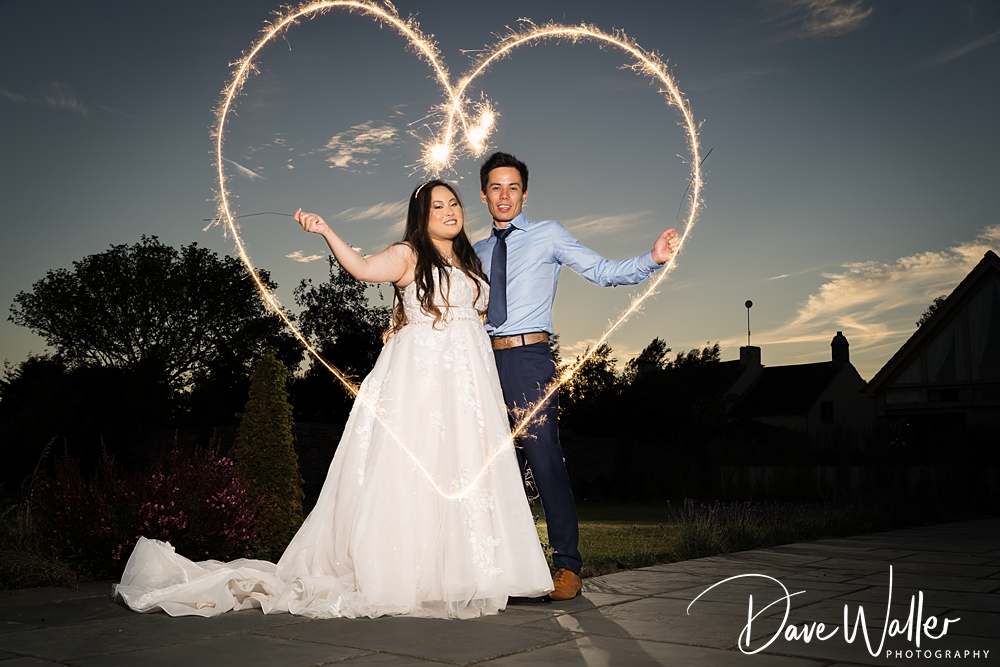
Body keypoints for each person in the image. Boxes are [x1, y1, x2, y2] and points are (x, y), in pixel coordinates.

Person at [114, 180, 553, 619]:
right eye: (437, 205)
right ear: (422, 215)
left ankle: (466, 571)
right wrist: (326, 230)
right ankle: (408, 572)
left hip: (469, 384)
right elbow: (361, 268)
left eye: (453, 203)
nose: (449, 211)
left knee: (465, 468)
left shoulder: (471, 260)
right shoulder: (408, 254)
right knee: (418, 467)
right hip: (422, 380)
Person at [473, 152, 680, 600]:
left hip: (529, 360)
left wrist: (652, 258)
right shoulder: (477, 252)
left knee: (544, 459)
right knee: (497, 472)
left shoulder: (548, 235)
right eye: (495, 187)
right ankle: (509, 570)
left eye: (513, 187)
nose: (504, 195)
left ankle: (566, 567)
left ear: (524, 194)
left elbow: (602, 272)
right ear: (485, 195)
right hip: (485, 364)